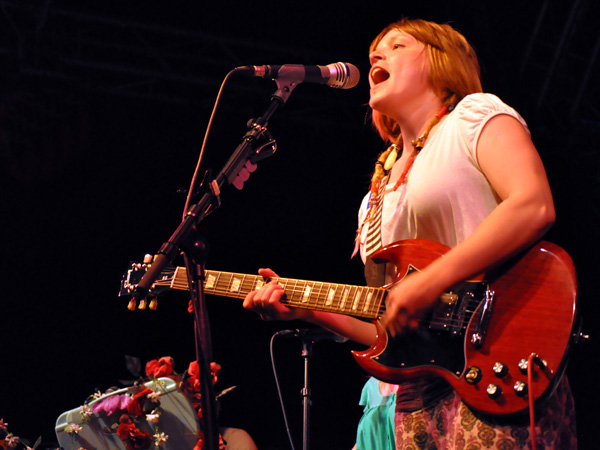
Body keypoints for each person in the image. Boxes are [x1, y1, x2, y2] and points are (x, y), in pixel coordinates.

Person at [242, 18, 577, 449]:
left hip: (502, 362)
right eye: (374, 53)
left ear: (441, 61)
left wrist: (431, 281)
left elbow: (533, 203)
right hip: (418, 397)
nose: (377, 56)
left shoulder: (472, 119)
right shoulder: (375, 194)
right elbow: (390, 324)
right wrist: (307, 311)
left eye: (397, 46)